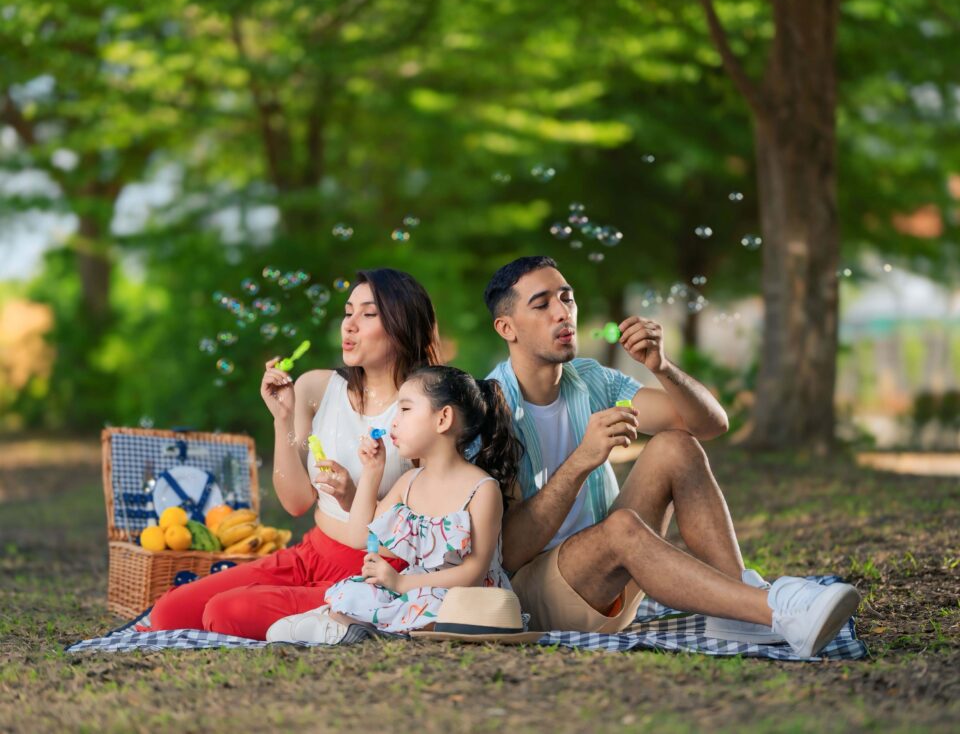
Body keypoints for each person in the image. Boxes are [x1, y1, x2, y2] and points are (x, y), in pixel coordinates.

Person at [483, 256, 860, 657]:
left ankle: (737, 609)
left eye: (567, 298)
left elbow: (710, 425)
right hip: (535, 598)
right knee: (623, 527)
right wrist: (582, 459)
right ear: (507, 328)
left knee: (676, 445)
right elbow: (508, 552)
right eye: (541, 305)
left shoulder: (590, 380)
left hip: (610, 580)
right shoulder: (491, 409)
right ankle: (772, 610)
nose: (562, 312)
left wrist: (662, 367)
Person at [144, 268, 442, 639]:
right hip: (313, 552)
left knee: (224, 613)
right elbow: (297, 502)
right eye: (348, 312)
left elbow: (431, 523)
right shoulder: (317, 387)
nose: (349, 325)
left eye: (368, 314)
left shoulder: (426, 405)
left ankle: (355, 612)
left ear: (403, 324)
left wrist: (353, 497)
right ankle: (318, 612)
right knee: (168, 613)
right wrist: (282, 420)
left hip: (377, 570)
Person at [264, 365, 521, 644]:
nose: (393, 423)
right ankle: (343, 623)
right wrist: (372, 470)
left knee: (431, 606)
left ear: (443, 418)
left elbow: (474, 571)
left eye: (405, 410)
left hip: (465, 597)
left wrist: (401, 583)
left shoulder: (482, 490)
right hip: (415, 588)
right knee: (359, 590)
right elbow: (359, 535)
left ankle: (347, 628)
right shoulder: (409, 482)